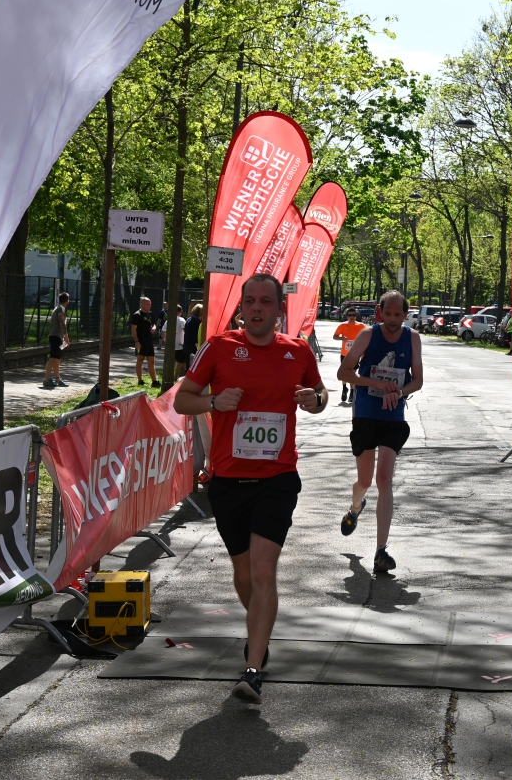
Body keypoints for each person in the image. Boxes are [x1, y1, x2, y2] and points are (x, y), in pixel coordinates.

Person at [173, 273, 327, 704]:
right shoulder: (219, 346)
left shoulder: (297, 351)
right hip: (229, 481)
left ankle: (253, 669)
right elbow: (183, 399)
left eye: (266, 302)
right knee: (244, 574)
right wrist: (213, 402)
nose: (257, 308)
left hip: (277, 479)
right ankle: (261, 629)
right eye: (250, 301)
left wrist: (315, 401)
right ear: (242, 308)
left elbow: (320, 394)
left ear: (280, 309)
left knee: (262, 570)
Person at [336, 290, 423, 575]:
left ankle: (380, 551)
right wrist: (376, 383)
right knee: (365, 480)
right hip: (366, 413)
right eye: (388, 314)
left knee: (384, 478)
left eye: (398, 315)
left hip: (393, 416)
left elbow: (418, 380)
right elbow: (344, 373)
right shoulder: (367, 335)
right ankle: (355, 507)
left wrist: (399, 392)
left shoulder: (412, 338)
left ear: (406, 315)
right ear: (379, 313)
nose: (393, 320)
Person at [331, 307, 367, 403]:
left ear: (356, 316)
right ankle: (344, 388)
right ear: (347, 316)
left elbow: (368, 337)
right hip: (344, 353)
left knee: (352, 372)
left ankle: (351, 392)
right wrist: (341, 338)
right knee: (344, 372)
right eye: (350, 315)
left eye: (353, 315)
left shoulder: (361, 326)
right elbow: (334, 336)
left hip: (355, 354)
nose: (352, 317)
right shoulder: (342, 325)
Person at [42, 291, 70, 389]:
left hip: (57, 337)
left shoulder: (58, 308)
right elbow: (62, 324)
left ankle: (57, 379)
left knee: (57, 358)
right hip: (56, 336)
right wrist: (66, 337)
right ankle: (46, 379)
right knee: (53, 357)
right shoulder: (60, 309)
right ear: (67, 301)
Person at [131, 297, 158, 387]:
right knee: (140, 359)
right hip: (140, 341)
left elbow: (153, 324)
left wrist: (154, 328)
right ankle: (140, 380)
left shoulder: (150, 314)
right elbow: (133, 329)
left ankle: (154, 381)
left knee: (151, 361)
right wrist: (136, 341)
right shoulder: (137, 315)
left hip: (149, 341)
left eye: (150, 304)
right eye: (147, 304)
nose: (149, 306)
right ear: (142, 304)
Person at [182, 303, 202, 370]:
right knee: (191, 367)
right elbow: (194, 336)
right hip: (192, 348)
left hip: (186, 346)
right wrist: (198, 348)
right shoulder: (196, 321)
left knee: (188, 366)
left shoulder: (189, 319)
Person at [172, 304, 188, 376]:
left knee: (172, 363)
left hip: (171, 346)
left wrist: (165, 339)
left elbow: (163, 331)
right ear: (180, 312)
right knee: (183, 364)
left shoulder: (169, 320)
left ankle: (169, 377)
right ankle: (181, 378)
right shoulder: (181, 320)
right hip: (180, 346)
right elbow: (186, 331)